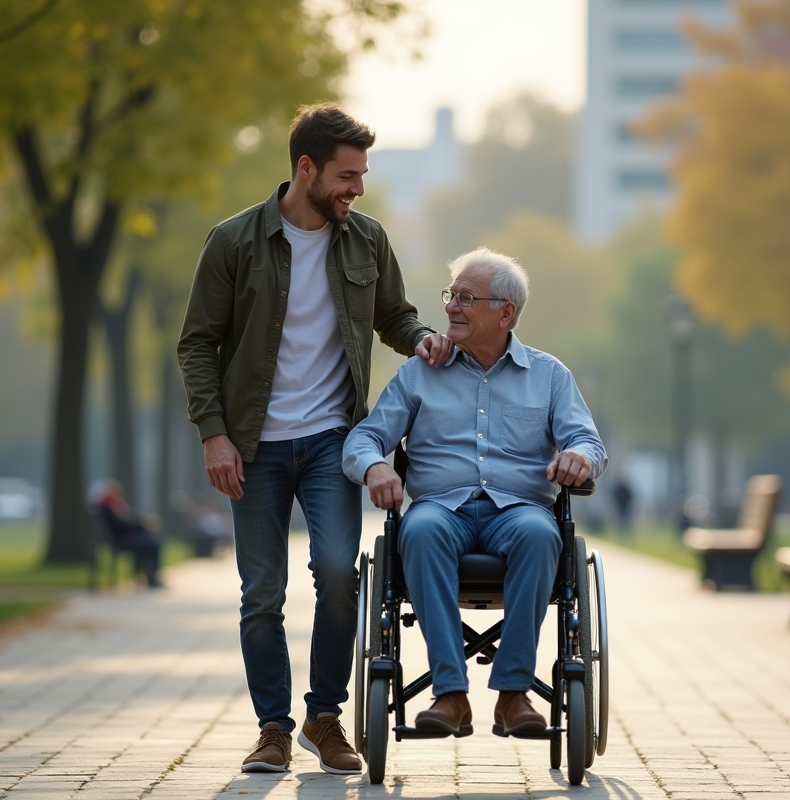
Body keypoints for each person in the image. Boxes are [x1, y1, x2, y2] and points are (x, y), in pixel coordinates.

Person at [177, 103, 452, 775]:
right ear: (306, 169)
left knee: (337, 574)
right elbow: (198, 345)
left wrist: (422, 340)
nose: (357, 188)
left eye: (361, 175)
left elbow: (394, 315)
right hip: (254, 447)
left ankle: (323, 719)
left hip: (334, 439)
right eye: (347, 175)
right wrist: (215, 435)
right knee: (261, 591)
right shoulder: (234, 242)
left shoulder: (366, 239)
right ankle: (271, 728)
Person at [342, 247, 606, 737]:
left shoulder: (549, 377)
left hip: (520, 510)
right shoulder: (420, 373)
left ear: (505, 313)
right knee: (418, 532)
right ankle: (451, 694)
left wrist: (581, 457)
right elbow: (364, 436)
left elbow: (587, 441)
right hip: (441, 511)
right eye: (451, 295)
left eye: (466, 298)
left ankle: (512, 695)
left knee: (539, 534)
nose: (450, 308)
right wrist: (376, 466)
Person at [90, 479, 163, 588]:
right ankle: (152, 579)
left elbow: (127, 520)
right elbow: (121, 524)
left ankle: (145, 577)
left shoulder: (109, 504)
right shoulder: (109, 505)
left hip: (122, 538)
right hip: (121, 540)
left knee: (149, 540)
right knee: (153, 543)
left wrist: (142, 524)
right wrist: (142, 524)